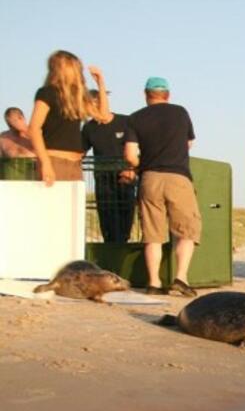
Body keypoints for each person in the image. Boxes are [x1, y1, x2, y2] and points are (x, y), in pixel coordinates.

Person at [123, 77, 199, 297]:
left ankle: (154, 283)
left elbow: (130, 155)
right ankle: (181, 278)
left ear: (146, 94)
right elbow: (189, 143)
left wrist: (142, 164)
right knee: (186, 231)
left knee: (153, 235)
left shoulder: (135, 118)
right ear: (168, 95)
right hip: (178, 177)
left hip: (150, 179)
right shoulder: (180, 113)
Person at [29, 50, 109, 186]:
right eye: (75, 68)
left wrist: (100, 83)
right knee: (54, 206)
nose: (79, 72)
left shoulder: (77, 96)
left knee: (73, 207)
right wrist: (45, 163)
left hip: (75, 163)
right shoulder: (47, 92)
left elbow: (104, 116)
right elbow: (34, 128)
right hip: (54, 159)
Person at [82, 90, 137, 243]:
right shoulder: (88, 128)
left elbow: (138, 147)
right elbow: (80, 152)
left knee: (126, 215)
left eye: (90, 106)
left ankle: (123, 243)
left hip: (125, 177)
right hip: (102, 179)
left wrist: (131, 169)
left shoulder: (126, 121)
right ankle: (109, 245)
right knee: (107, 218)